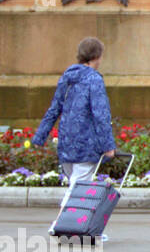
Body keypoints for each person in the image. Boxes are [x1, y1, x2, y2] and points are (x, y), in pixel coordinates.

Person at [31, 37, 116, 190]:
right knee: (77, 193)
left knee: (76, 187)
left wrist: (39, 137)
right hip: (87, 146)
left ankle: (72, 214)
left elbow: (54, 109)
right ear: (96, 57)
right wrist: (108, 146)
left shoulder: (67, 78)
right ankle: (65, 214)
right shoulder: (94, 80)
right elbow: (101, 115)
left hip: (66, 143)